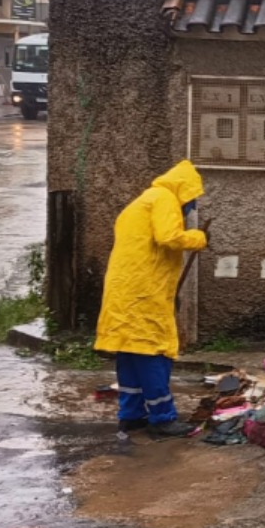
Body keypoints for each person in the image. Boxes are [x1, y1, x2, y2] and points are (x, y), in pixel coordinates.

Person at [95, 160, 209, 438]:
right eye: (191, 200)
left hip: (123, 292)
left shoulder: (140, 202)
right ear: (184, 191)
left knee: (130, 352)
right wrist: (198, 237)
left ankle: (131, 416)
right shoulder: (165, 199)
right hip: (144, 293)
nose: (190, 207)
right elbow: (169, 237)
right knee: (153, 353)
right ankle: (162, 418)